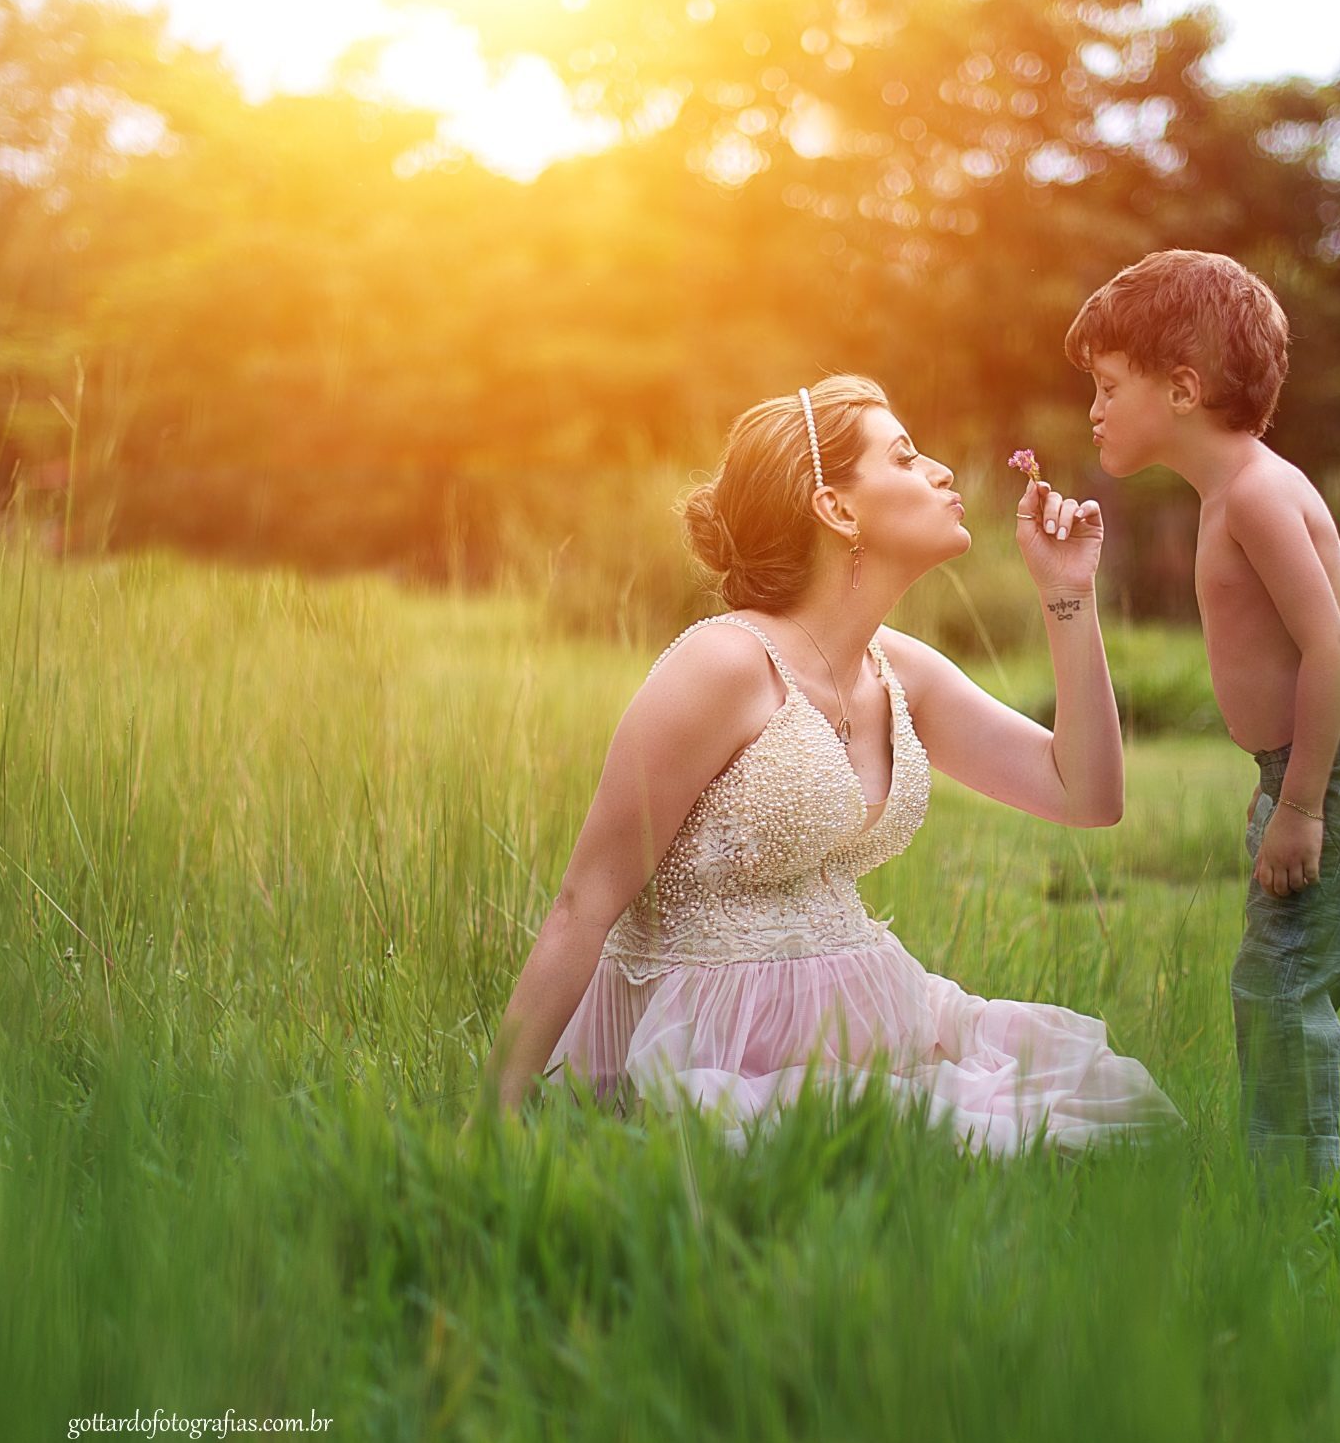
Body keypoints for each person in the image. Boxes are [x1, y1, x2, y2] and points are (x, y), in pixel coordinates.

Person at [478, 374, 1177, 1152]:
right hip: (714, 1044)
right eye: (906, 459)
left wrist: (1067, 595)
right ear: (837, 508)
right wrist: (491, 1120)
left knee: (1093, 1111)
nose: (942, 473)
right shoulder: (724, 665)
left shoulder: (901, 672)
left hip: (871, 1018)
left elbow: (1086, 794)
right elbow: (586, 901)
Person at [1066, 250, 1340, 1184]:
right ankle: (1288, 1170)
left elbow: (1331, 650)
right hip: (1310, 769)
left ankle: (1294, 1201)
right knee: (1277, 979)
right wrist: (1282, 788)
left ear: (1180, 388)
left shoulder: (1257, 494)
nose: (1094, 409)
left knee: (1279, 986)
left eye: (1108, 386)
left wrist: (1303, 805)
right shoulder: (1230, 494)